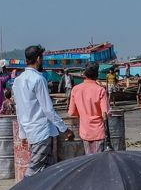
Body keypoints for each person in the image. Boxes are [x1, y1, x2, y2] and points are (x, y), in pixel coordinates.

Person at [13, 44, 74, 176]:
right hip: (41, 131)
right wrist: (64, 129)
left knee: (48, 170)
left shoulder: (18, 81)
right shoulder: (39, 79)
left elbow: (19, 110)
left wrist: (22, 133)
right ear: (39, 59)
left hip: (30, 130)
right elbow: (48, 109)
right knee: (34, 169)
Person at [68, 62, 111, 155]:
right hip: (98, 131)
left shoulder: (75, 89)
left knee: (89, 160)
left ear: (84, 74)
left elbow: (71, 112)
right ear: (97, 74)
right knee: (99, 162)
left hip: (85, 131)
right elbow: (106, 114)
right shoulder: (100, 90)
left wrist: (83, 114)